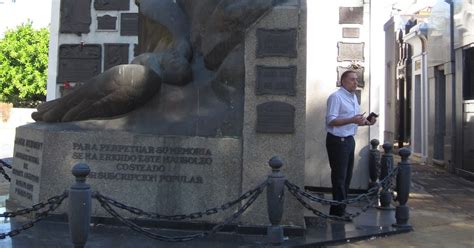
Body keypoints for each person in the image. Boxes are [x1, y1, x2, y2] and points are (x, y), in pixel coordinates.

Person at [325, 70, 377, 219]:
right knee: (339, 177)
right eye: (352, 80)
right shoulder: (336, 97)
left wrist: (367, 122)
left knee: (347, 177)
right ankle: (337, 212)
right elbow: (331, 120)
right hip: (337, 141)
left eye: (356, 79)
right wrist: (352, 120)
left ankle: (341, 209)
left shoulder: (353, 97)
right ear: (343, 81)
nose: (355, 82)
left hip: (349, 140)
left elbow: (355, 120)